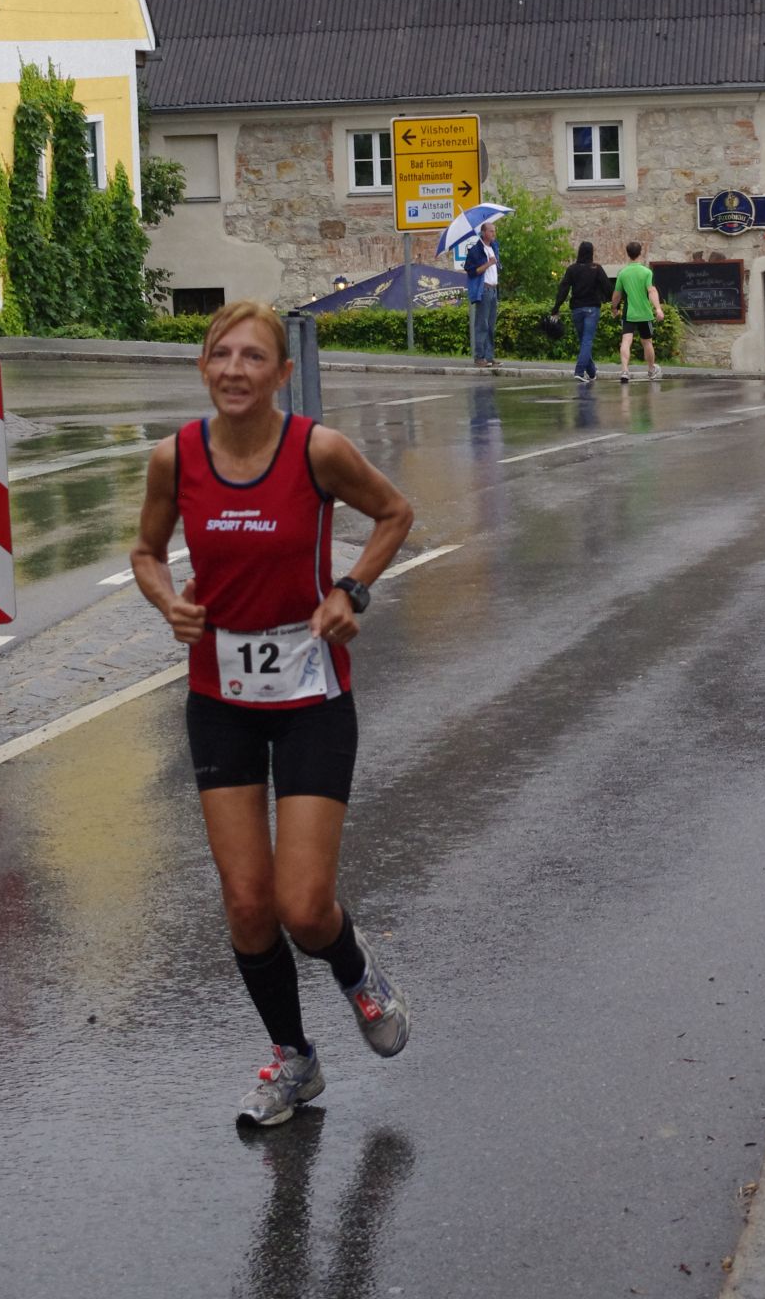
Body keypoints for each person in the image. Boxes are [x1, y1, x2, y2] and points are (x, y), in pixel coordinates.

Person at [131, 300, 416, 1128]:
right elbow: (145, 552)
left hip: (310, 699)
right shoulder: (176, 457)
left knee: (303, 906)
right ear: (203, 366)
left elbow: (395, 513)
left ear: (283, 374)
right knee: (248, 904)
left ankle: (356, 971)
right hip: (219, 698)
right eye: (221, 354)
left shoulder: (316, 450)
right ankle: (295, 1060)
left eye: (254, 357)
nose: (235, 370)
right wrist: (167, 603)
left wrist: (351, 589)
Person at [550, 240, 612, 384]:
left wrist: (556, 307)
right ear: (591, 253)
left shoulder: (572, 269)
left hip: (577, 309)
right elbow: (608, 288)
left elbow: (563, 289)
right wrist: (613, 303)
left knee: (584, 340)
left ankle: (592, 372)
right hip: (592, 308)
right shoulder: (596, 268)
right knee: (587, 340)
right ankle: (579, 371)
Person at [609, 240, 665, 381]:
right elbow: (651, 290)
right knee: (647, 342)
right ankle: (651, 370)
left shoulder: (623, 273)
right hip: (645, 313)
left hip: (629, 313)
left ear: (627, 254)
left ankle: (624, 371)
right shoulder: (647, 272)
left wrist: (614, 307)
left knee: (626, 341)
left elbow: (617, 294)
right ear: (641, 253)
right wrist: (658, 309)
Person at [465, 220, 501, 366]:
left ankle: (489, 356)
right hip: (484, 289)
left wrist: (496, 264)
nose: (494, 233)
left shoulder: (493, 247)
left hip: (494, 289)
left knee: (491, 325)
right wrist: (488, 264)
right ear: (484, 233)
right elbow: (472, 271)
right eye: (491, 231)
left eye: (494, 231)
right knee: (482, 325)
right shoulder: (476, 250)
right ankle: (479, 357)